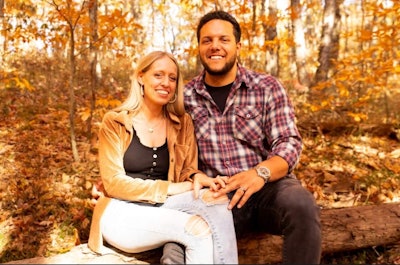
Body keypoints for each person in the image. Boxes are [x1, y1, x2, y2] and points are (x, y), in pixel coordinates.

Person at [162, 10, 322, 264]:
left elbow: (289, 143)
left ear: (237, 46)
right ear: (199, 47)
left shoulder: (267, 87)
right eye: (207, 40)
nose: (215, 46)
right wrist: (115, 179)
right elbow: (158, 144)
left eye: (223, 39)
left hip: (267, 188)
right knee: (176, 246)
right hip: (216, 196)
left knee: (301, 204)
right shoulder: (184, 97)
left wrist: (259, 173)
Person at [87, 51, 238, 264]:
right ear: (141, 77)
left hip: (163, 207)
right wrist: (171, 188)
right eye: (158, 75)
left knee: (217, 198)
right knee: (197, 230)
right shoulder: (115, 122)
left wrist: (197, 177)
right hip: (120, 211)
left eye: (172, 78)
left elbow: (186, 170)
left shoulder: (182, 122)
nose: (166, 83)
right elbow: (113, 184)